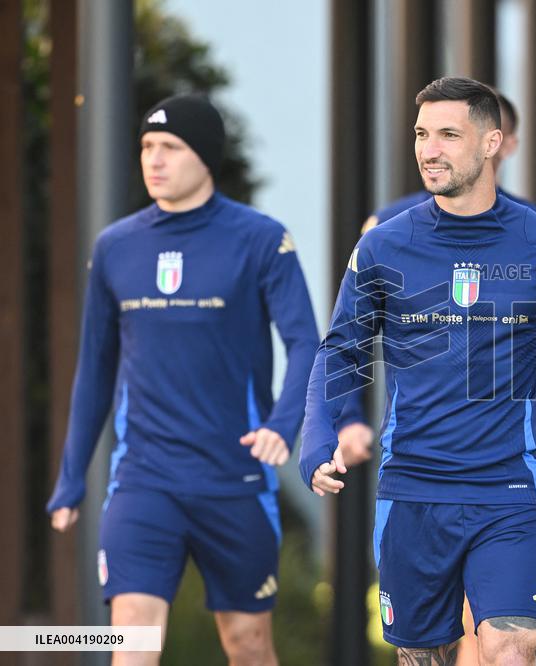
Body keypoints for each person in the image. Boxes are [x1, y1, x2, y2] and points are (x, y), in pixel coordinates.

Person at [301, 77, 536, 665]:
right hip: (411, 491)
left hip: (508, 491)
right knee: (423, 657)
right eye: (421, 134)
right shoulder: (383, 246)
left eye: (448, 134)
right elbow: (340, 351)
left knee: (510, 648)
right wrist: (317, 441)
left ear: (492, 144)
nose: (429, 149)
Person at [47, 94, 319, 666]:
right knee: (132, 642)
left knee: (247, 645)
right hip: (145, 480)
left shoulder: (261, 240)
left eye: (170, 147)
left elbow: (305, 343)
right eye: (147, 147)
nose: (154, 159)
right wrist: (71, 477)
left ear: (204, 157)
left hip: (234, 479)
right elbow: (95, 369)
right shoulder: (116, 247)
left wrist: (282, 425)